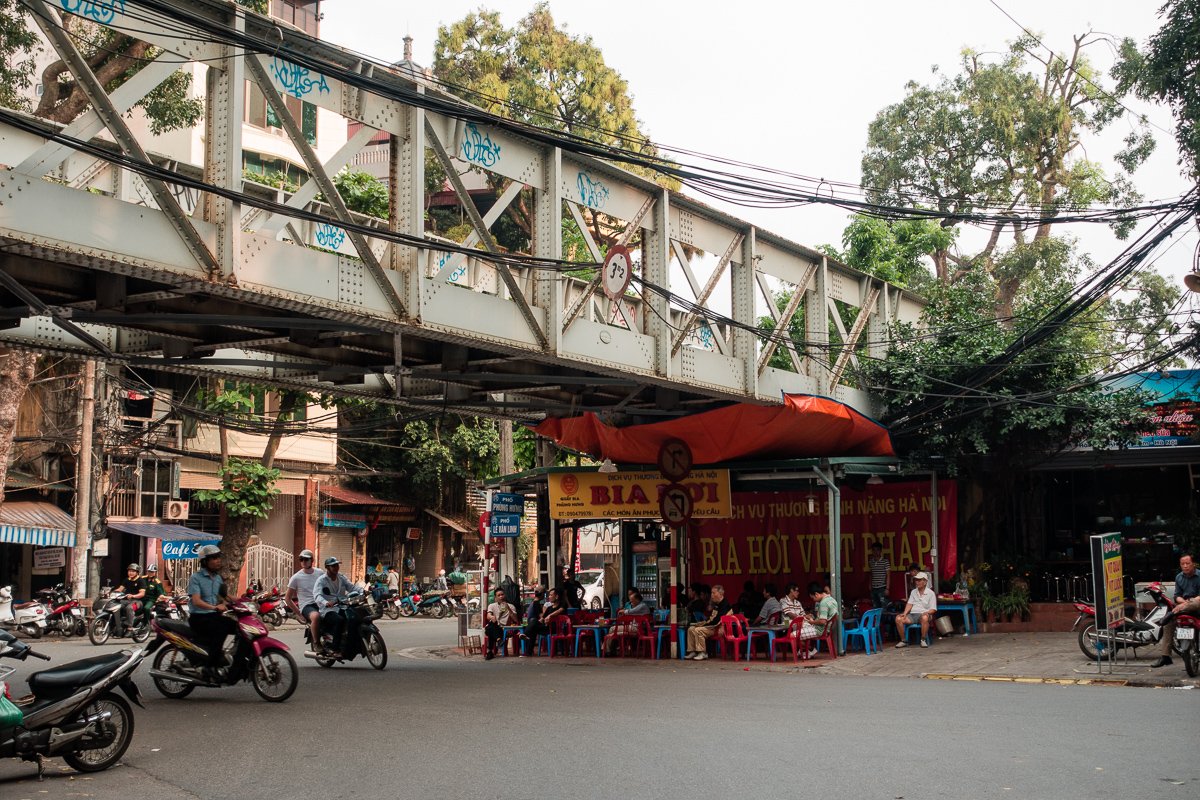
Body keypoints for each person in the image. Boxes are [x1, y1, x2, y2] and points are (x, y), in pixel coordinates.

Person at [187, 545, 237, 674]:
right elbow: (196, 601)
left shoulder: (218, 578)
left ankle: (235, 659)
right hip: (199, 617)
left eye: (219, 557)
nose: (218, 560)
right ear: (205, 561)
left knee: (240, 628)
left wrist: (245, 601)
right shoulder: (196, 578)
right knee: (221, 629)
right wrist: (215, 607)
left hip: (213, 616)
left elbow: (225, 596)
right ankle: (209, 666)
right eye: (214, 558)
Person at [1152, 553, 1200, 669]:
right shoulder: (1179, 577)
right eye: (1182, 564)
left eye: (1187, 563)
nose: (1185, 566)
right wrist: (1183, 603)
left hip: (1196, 605)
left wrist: (1184, 604)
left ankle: (1171, 613)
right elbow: (1177, 596)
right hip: (1183, 606)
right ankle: (1165, 656)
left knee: (1195, 602)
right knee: (1168, 624)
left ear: (1193, 564)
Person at [313, 557, 355, 657]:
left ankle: (348, 644)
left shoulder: (341, 577)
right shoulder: (321, 580)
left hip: (342, 606)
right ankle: (334, 648)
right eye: (333, 566)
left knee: (352, 618)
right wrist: (325, 602)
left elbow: (352, 587)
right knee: (339, 620)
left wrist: (362, 591)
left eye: (337, 565)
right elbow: (317, 595)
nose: (336, 567)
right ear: (327, 567)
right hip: (328, 610)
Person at [286, 549, 322, 649]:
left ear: (312, 560)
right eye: (301, 559)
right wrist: (298, 614)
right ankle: (316, 643)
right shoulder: (296, 577)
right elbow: (288, 598)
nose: (303, 562)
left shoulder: (320, 573)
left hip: (321, 603)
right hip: (307, 606)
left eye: (306, 559)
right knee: (316, 616)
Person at [685, 584, 730, 660]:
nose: (712, 595)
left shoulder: (725, 605)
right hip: (711, 626)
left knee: (698, 630)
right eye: (711, 593)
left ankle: (703, 653)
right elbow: (712, 618)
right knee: (691, 629)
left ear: (721, 594)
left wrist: (703, 625)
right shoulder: (716, 605)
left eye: (714, 593)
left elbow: (718, 620)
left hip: (716, 628)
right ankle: (692, 651)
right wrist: (701, 623)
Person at [894, 571, 937, 647]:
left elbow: (933, 609)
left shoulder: (931, 593)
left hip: (924, 615)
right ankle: (903, 640)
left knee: (924, 618)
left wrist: (927, 612)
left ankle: (923, 640)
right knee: (898, 618)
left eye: (919, 580)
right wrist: (905, 613)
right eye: (916, 580)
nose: (917, 582)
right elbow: (909, 604)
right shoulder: (913, 592)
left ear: (925, 582)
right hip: (913, 615)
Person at [484, 587, 517, 660]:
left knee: (490, 630)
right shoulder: (492, 605)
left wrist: (508, 608)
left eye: (502, 594)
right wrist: (492, 617)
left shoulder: (511, 606)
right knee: (492, 626)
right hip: (494, 626)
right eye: (498, 595)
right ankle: (499, 640)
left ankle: (490, 651)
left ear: (505, 595)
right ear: (495, 597)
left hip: (503, 629)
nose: (501, 596)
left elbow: (515, 620)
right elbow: (488, 615)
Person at [114, 563, 146, 635]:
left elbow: (142, 594)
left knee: (129, 608)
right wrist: (112, 592)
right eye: (129, 571)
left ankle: (130, 627)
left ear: (137, 572)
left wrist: (133, 596)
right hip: (126, 600)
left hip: (137, 602)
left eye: (133, 571)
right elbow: (120, 589)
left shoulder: (141, 581)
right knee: (115, 606)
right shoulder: (126, 580)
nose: (130, 573)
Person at [520, 587, 547, 656]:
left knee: (533, 630)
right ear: (542, 595)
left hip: (533, 626)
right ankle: (528, 651)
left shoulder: (534, 603)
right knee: (533, 627)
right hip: (534, 624)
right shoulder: (536, 603)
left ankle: (528, 650)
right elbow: (541, 616)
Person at [868, 543, 890, 608]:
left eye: (877, 550)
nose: (875, 552)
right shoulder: (871, 562)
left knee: (883, 606)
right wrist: (870, 584)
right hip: (874, 588)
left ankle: (883, 618)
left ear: (880, 551)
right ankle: (877, 618)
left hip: (882, 588)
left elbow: (888, 575)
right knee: (875, 606)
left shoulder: (885, 561)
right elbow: (871, 574)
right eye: (874, 550)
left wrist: (887, 588)